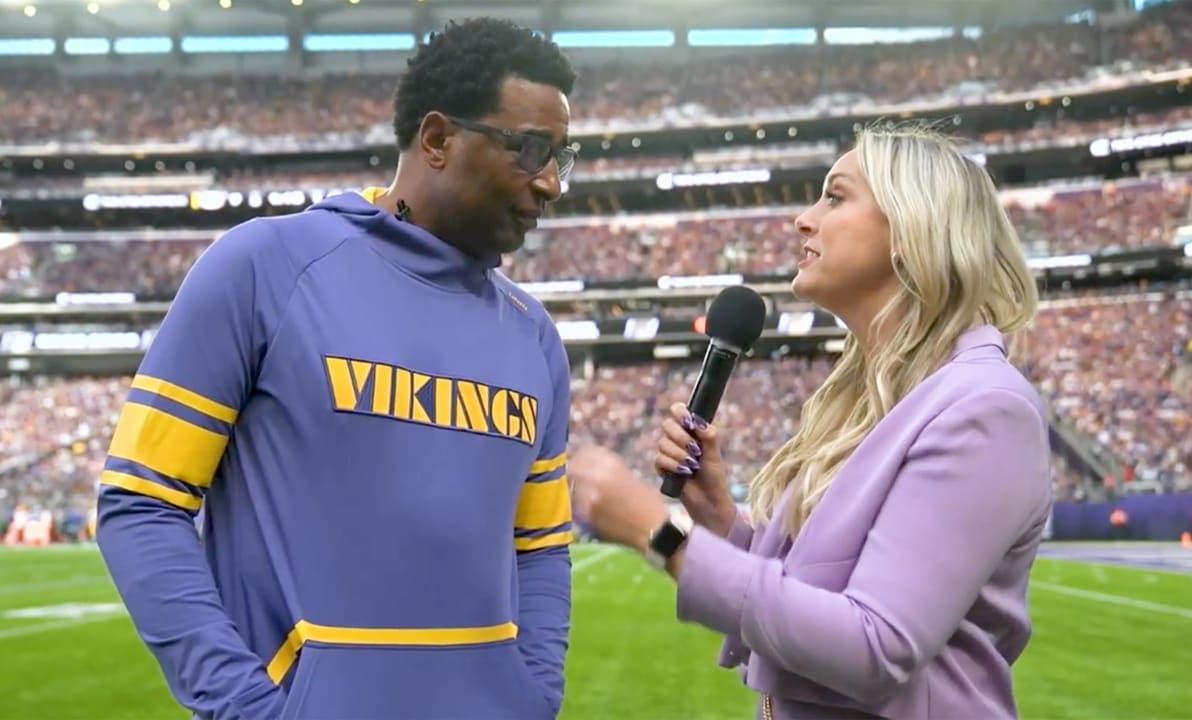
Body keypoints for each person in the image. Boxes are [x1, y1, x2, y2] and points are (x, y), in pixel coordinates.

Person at [95, 18, 578, 720]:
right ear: (437, 139)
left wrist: (531, 698)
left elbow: (540, 549)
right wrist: (246, 709)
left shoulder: (535, 338)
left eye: (564, 155)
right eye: (529, 149)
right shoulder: (262, 268)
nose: (553, 183)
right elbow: (142, 503)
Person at [569, 123, 1051, 719]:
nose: (804, 218)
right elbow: (817, 596)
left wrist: (662, 534)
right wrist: (722, 523)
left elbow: (874, 645)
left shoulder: (984, 409)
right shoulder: (870, 399)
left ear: (912, 226)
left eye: (835, 196)